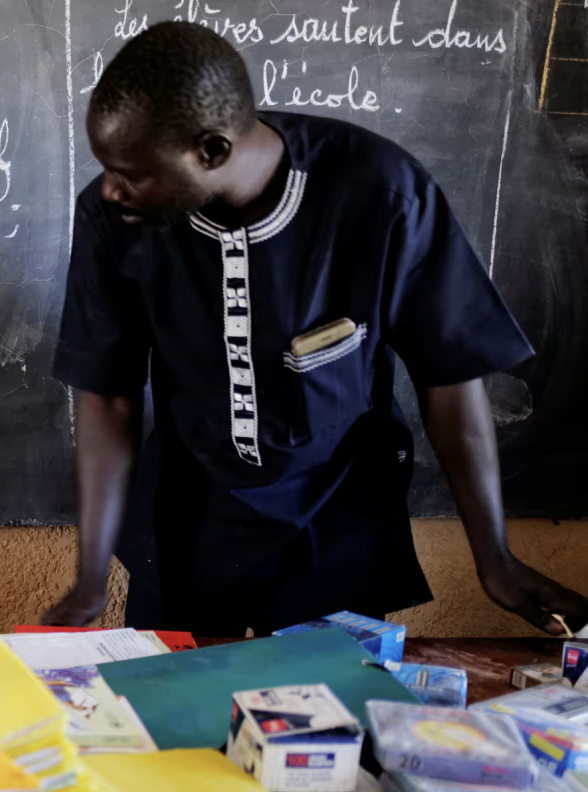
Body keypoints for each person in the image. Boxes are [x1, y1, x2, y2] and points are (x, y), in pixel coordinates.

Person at [43, 22, 588, 637]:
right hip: (185, 520)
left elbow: (450, 377)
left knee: (328, 699)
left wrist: (495, 561)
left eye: (132, 173)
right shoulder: (113, 218)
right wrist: (90, 580)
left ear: (212, 152)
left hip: (335, 526)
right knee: (176, 696)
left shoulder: (382, 194)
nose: (110, 189)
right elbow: (109, 395)